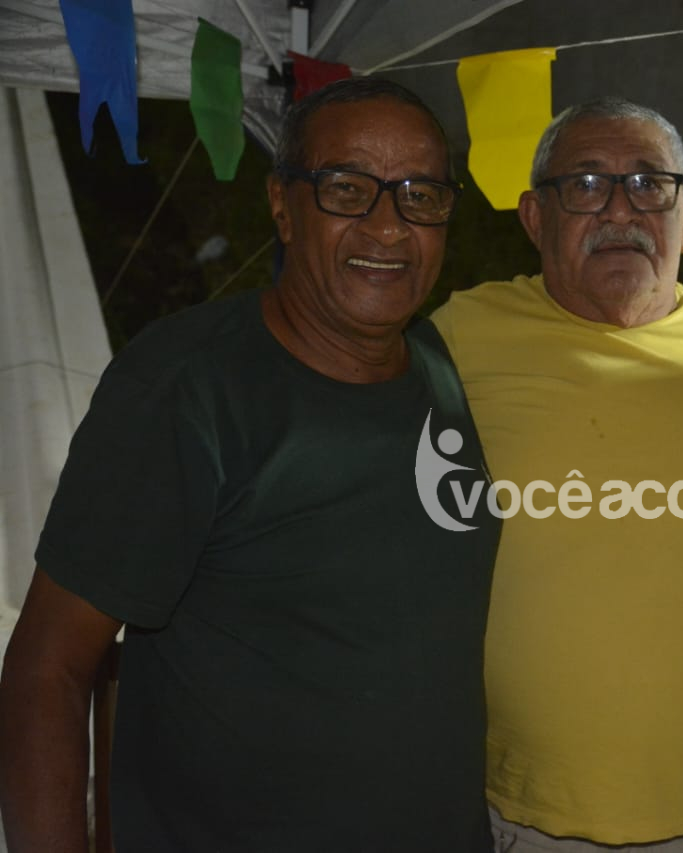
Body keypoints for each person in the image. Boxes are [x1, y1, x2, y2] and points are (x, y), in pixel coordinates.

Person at [0, 77, 500, 852]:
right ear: (282, 205)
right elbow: (48, 669)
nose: (388, 225)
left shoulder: (436, 362)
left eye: (420, 195)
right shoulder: (187, 385)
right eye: (347, 189)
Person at [431, 97, 683, 851]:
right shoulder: (459, 337)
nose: (620, 210)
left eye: (649, 184)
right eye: (586, 184)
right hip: (524, 809)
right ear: (535, 217)